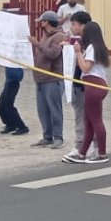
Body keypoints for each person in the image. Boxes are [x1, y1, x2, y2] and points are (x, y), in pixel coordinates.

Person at [61, 21, 111, 165]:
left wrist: (77, 53)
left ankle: (101, 153)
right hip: (97, 85)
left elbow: (85, 68)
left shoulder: (92, 48)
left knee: (95, 121)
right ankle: (82, 153)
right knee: (88, 121)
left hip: (93, 85)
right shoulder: (100, 47)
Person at [29, 10, 67, 149]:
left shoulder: (58, 36)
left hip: (52, 79)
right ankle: (47, 136)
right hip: (40, 79)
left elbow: (53, 54)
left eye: (42, 21)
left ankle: (58, 137)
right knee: (43, 110)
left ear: (47, 22)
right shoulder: (45, 36)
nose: (40, 23)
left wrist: (37, 44)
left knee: (54, 109)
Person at [67, 11, 94, 158]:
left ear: (83, 26)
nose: (72, 27)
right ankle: (82, 144)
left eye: (74, 24)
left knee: (87, 117)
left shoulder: (90, 44)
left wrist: (77, 52)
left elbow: (85, 67)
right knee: (80, 115)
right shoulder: (78, 41)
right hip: (76, 84)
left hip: (86, 85)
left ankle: (85, 145)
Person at [0, 65, 30, 136]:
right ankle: (10, 124)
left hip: (13, 82)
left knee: (8, 105)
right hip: (9, 81)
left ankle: (22, 126)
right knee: (1, 106)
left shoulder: (15, 59)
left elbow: (19, 75)